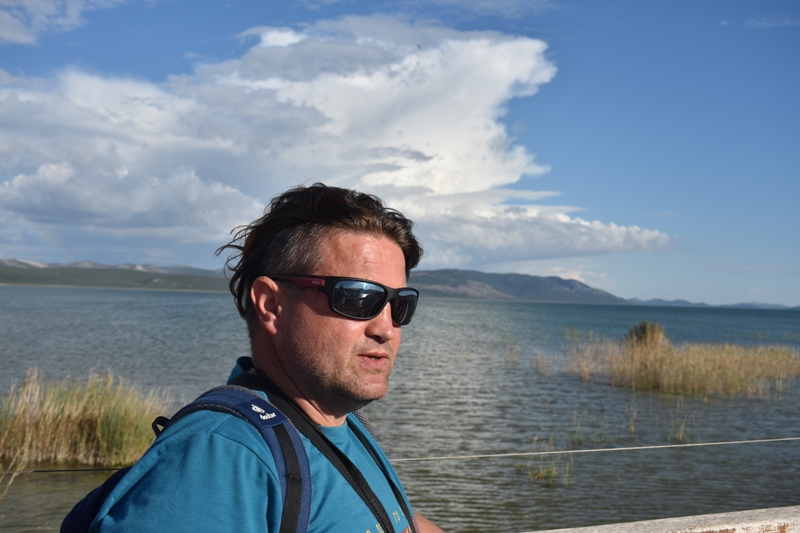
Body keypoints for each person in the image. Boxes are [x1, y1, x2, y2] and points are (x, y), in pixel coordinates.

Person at [90, 183, 445, 533]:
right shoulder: (220, 456)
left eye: (400, 304)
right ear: (272, 304)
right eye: (357, 298)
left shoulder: (343, 426)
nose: (386, 328)